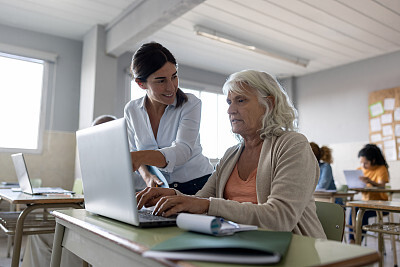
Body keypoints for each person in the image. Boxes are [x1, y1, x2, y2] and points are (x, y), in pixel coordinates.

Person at [136, 70, 326, 238]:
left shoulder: (292, 145)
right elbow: (202, 201)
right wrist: (172, 196)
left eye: (241, 100)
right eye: (229, 102)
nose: (230, 110)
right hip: (240, 243)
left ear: (269, 103)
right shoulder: (232, 154)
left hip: (293, 248)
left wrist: (207, 205)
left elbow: (280, 218)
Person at [22, 115, 117, 267]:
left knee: (67, 243)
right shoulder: (97, 161)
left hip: (105, 227)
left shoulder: (129, 161)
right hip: (89, 219)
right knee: (37, 234)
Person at [124, 42, 214, 194]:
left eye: (174, 77)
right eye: (161, 80)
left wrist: (139, 156)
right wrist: (148, 177)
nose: (171, 87)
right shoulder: (132, 110)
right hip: (162, 187)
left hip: (198, 184)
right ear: (141, 84)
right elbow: (135, 154)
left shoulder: (191, 104)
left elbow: (182, 151)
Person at [348, 144, 389, 243]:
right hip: (365, 203)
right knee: (354, 210)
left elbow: (382, 186)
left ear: (373, 160)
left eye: (365, 163)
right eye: (361, 162)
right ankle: (352, 240)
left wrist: (370, 181)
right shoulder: (360, 170)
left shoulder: (381, 169)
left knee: (362, 213)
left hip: (381, 205)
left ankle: (357, 242)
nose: (363, 166)